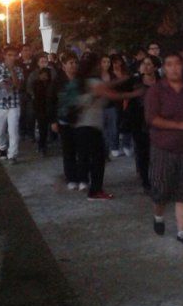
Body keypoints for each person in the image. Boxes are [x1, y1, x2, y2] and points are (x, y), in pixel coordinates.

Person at [145, 52, 183, 245]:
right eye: (169, 64)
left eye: (177, 64)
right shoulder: (156, 91)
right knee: (161, 189)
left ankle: (182, 232)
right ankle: (158, 216)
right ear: (164, 68)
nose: (174, 68)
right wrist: (179, 125)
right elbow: (152, 118)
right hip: (163, 147)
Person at [72, 53, 129, 200]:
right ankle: (95, 190)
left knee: (86, 156)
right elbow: (111, 94)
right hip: (91, 125)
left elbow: (106, 87)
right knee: (98, 158)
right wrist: (134, 93)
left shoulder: (80, 82)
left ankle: (84, 182)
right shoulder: (93, 82)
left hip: (80, 124)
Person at [53, 52, 86, 190]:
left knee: (83, 150)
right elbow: (52, 102)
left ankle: (83, 177)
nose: (73, 66)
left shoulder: (81, 81)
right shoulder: (58, 82)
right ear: (64, 66)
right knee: (68, 151)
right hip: (64, 120)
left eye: (75, 63)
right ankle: (71, 178)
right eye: (70, 63)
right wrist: (53, 121)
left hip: (81, 120)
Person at [127, 54, 160, 192]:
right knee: (143, 153)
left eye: (149, 64)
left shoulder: (161, 82)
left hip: (158, 122)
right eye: (144, 64)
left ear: (155, 67)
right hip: (139, 121)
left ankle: (159, 178)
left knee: (158, 153)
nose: (145, 67)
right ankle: (146, 181)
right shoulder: (135, 82)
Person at [0, 46, 25, 164]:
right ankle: (2, 148)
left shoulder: (19, 70)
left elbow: (18, 86)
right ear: (4, 55)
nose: (12, 58)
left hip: (14, 104)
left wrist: (12, 71)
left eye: (14, 55)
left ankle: (12, 155)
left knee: (13, 130)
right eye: (9, 55)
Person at [99, 54, 121, 158]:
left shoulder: (113, 76)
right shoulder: (96, 76)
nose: (106, 64)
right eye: (104, 62)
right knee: (102, 131)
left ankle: (107, 151)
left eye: (108, 62)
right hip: (99, 107)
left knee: (112, 130)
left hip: (111, 106)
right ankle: (103, 151)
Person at [19, 44, 37, 140]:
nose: (26, 52)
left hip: (32, 93)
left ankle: (31, 133)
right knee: (21, 113)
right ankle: (22, 132)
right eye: (24, 50)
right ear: (21, 52)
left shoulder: (35, 63)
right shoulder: (18, 63)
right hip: (21, 92)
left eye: (28, 50)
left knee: (31, 114)